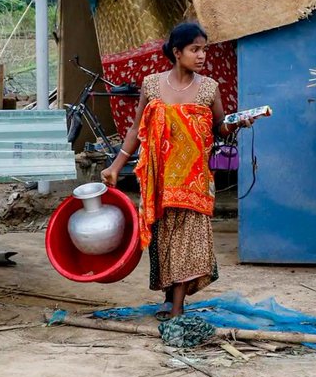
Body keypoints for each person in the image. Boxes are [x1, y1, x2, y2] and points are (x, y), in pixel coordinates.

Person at [101, 22, 251, 318]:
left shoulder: (209, 88)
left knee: (188, 240)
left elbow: (220, 128)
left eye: (204, 49)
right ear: (176, 51)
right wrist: (116, 166)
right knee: (165, 238)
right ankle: (170, 299)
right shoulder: (152, 85)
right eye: (195, 49)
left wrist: (237, 123)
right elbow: (136, 130)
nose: (202, 56)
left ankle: (178, 309)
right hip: (160, 179)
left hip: (194, 179)